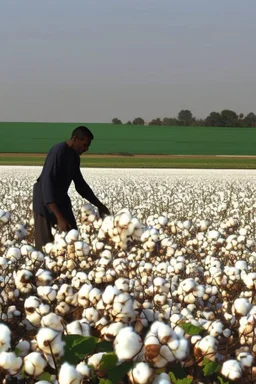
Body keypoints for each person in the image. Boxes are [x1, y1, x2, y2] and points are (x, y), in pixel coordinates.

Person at [33, 125, 110, 251]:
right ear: (75, 139)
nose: (86, 149)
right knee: (44, 246)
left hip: (60, 199)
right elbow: (47, 184)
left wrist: (99, 205)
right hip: (44, 201)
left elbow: (80, 185)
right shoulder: (57, 152)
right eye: (85, 144)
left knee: (72, 236)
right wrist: (59, 217)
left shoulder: (74, 157)